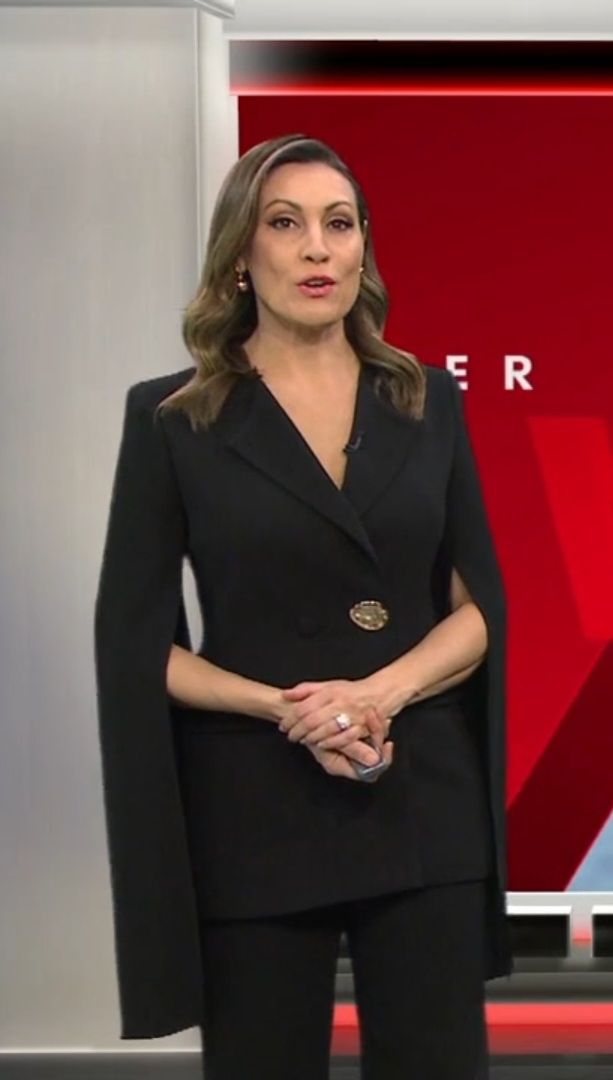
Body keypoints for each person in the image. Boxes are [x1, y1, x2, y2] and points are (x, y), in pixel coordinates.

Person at [94, 133, 513, 1079]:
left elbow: (477, 606)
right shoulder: (174, 418)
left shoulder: (426, 400)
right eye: (284, 224)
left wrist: (376, 696)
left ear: (363, 248)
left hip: (418, 790)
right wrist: (289, 709)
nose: (317, 247)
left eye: (339, 223)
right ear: (241, 254)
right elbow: (137, 641)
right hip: (255, 802)